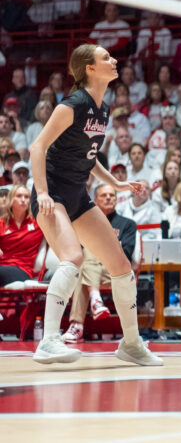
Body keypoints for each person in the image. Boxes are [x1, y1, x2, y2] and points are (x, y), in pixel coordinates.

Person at [27, 44, 161, 366]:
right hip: (53, 195)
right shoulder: (72, 104)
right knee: (73, 257)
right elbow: (37, 147)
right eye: (106, 58)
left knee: (121, 266)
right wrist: (43, 192)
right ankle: (48, 341)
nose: (113, 61)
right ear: (89, 68)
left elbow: (90, 157)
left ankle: (131, 344)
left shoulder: (103, 108)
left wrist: (113, 182)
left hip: (78, 195)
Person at [62, 184, 139, 343]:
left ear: (117, 200)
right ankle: (95, 300)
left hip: (115, 270)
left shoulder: (127, 224)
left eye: (112, 195)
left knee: (88, 254)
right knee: (84, 264)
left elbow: (126, 253)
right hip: (93, 272)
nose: (109, 198)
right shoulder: (86, 223)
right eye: (104, 195)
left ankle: (77, 326)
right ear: (95, 200)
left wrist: (102, 247)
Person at [0, 184, 44, 285]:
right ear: (11, 199)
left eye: (26, 197)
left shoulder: (37, 224)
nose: (23, 199)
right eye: (19, 196)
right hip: (2, 267)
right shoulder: (2, 223)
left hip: (23, 271)